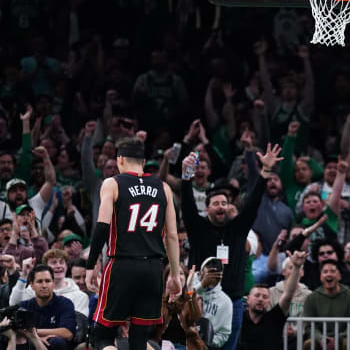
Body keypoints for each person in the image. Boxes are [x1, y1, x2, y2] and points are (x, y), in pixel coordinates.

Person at [180, 143, 283, 350]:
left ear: (229, 207)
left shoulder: (237, 229)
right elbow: (187, 203)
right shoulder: (197, 227)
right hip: (200, 299)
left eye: (224, 203)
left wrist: (265, 172)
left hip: (233, 302)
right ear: (207, 208)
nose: (221, 206)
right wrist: (187, 175)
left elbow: (253, 203)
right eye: (216, 203)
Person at [84, 137, 182, 350]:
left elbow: (101, 226)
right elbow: (172, 236)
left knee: (101, 337)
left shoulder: (112, 183)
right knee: (139, 342)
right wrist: (174, 274)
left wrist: (91, 265)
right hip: (153, 268)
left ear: (120, 160)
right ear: (144, 161)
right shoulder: (163, 188)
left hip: (122, 264)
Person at [239, 250, 306, 350]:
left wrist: (296, 268)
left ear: (269, 302)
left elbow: (288, 295)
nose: (261, 299)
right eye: (257, 295)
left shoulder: (274, 318)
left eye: (265, 297)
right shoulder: (239, 320)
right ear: (247, 299)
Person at [302, 260, 350, 350]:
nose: (329, 274)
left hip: (344, 338)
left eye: (333, 271)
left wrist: (337, 339)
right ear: (321, 276)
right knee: (309, 343)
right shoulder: (311, 298)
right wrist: (322, 339)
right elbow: (309, 326)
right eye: (325, 272)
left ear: (339, 276)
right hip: (320, 340)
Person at [18, 264, 76, 350]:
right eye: (40, 281)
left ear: (53, 283)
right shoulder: (24, 306)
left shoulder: (65, 304)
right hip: (31, 344)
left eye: (48, 281)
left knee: (57, 342)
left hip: (54, 346)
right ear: (32, 285)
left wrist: (34, 332)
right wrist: (37, 339)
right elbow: (16, 330)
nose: (44, 285)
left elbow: (67, 333)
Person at [194, 257, 232, 349]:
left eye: (215, 275)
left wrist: (208, 341)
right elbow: (182, 301)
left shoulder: (225, 301)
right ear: (201, 272)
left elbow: (224, 333)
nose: (211, 278)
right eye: (209, 274)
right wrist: (202, 286)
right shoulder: (189, 285)